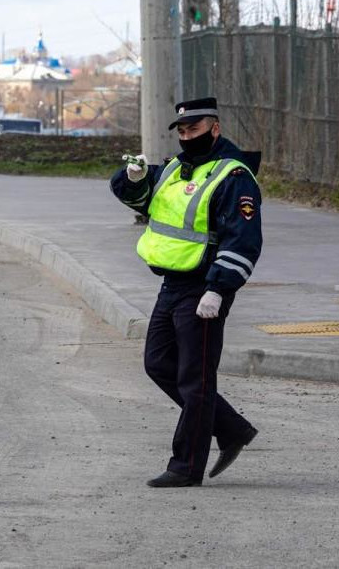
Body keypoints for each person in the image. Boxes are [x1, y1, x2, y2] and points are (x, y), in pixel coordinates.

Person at [110, 97, 262, 487]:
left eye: (193, 130)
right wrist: (133, 177)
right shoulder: (178, 168)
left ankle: (186, 466)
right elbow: (144, 202)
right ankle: (230, 429)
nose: (185, 137)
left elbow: (243, 240)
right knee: (158, 363)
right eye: (181, 131)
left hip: (205, 286)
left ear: (215, 129)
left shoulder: (233, 176)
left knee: (196, 379)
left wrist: (218, 290)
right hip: (173, 284)